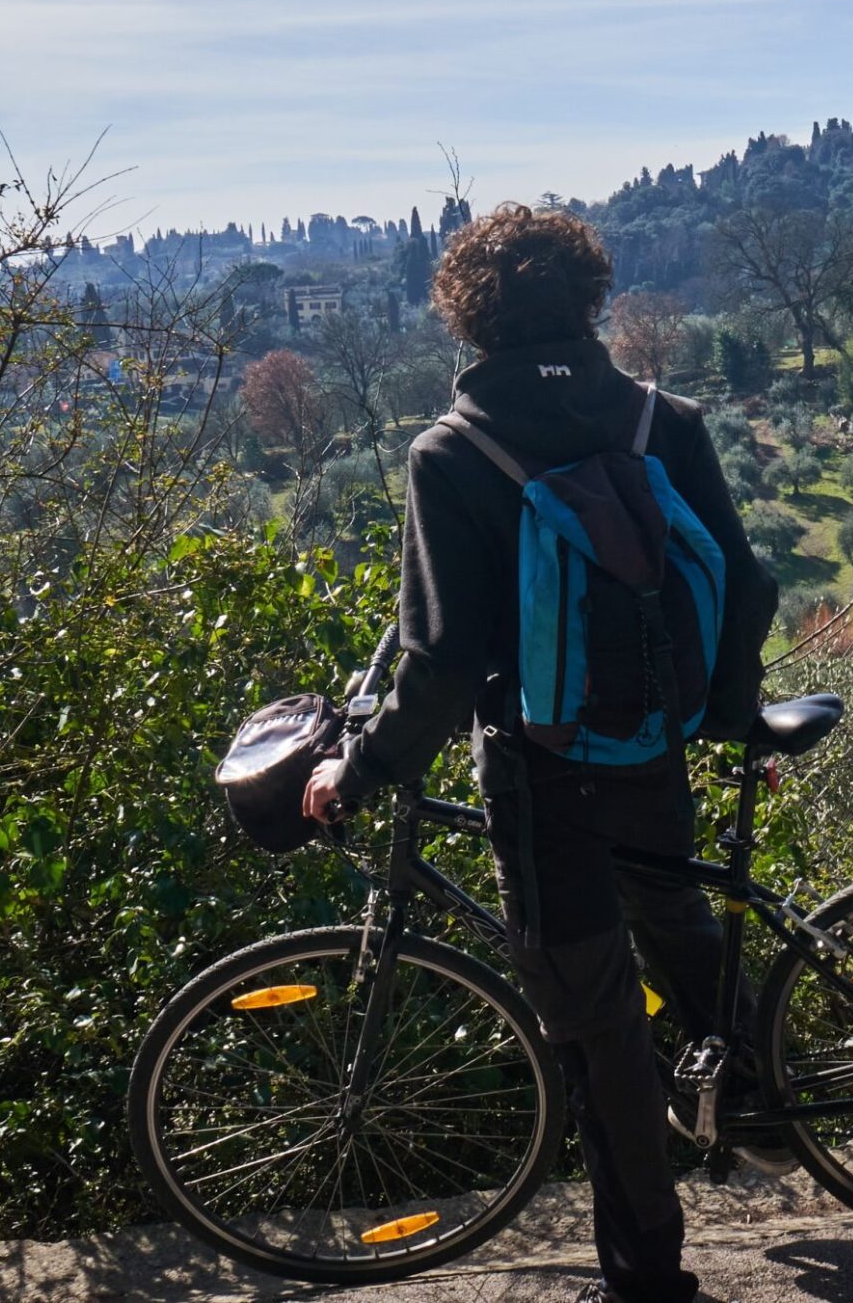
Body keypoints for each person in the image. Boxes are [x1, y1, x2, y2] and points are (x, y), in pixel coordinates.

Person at [302, 204, 777, 1303]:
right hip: (651, 744)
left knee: (598, 1025)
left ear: (469, 316)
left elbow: (444, 663)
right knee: (676, 918)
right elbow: (747, 585)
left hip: (540, 772)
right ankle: (753, 1095)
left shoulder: (453, 453)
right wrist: (728, 715)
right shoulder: (665, 420)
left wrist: (361, 769)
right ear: (592, 298)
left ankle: (649, 1280)